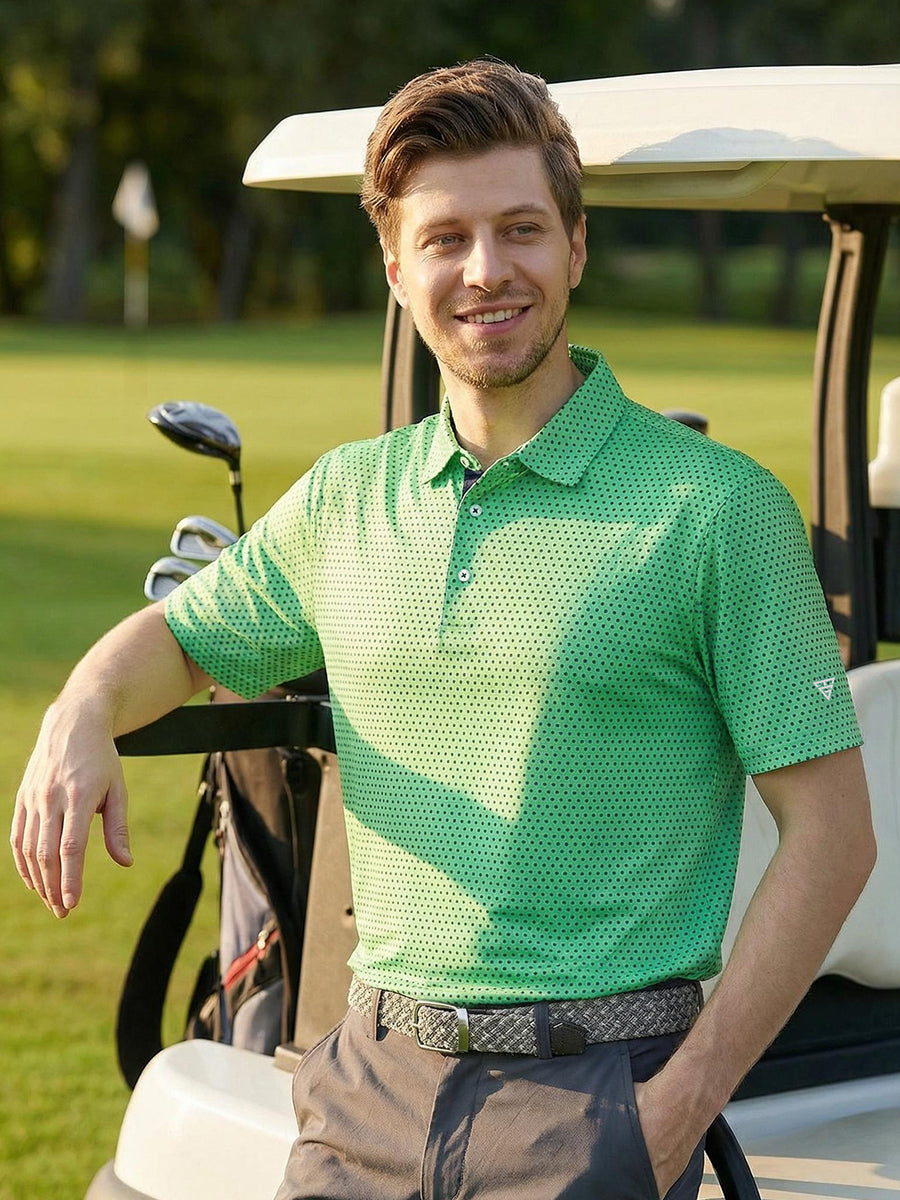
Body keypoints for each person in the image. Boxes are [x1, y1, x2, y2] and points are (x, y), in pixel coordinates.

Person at [12, 60, 874, 1200]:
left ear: (576, 245)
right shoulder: (347, 496)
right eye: (445, 238)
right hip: (366, 1088)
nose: (485, 270)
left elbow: (834, 838)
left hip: (601, 1088)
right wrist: (79, 711)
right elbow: (179, 638)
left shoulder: (716, 509)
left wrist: (677, 1110)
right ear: (395, 268)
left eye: (521, 229)